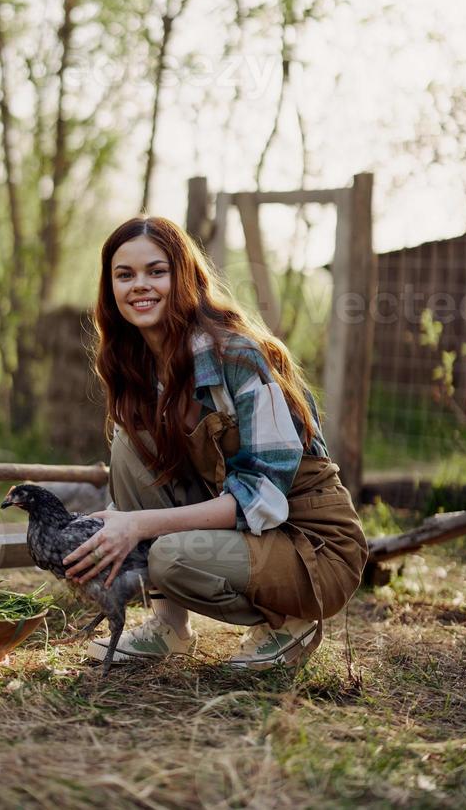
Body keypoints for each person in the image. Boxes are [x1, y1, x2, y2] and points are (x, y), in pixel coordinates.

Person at [62, 216, 369, 669]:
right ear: (110, 289)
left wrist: (140, 525)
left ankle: (290, 622)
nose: (139, 286)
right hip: (251, 534)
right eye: (124, 275)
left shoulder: (237, 357)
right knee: (130, 442)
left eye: (156, 271)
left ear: (183, 275)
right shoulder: (140, 367)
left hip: (312, 547)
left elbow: (261, 499)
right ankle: (169, 626)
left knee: (169, 555)